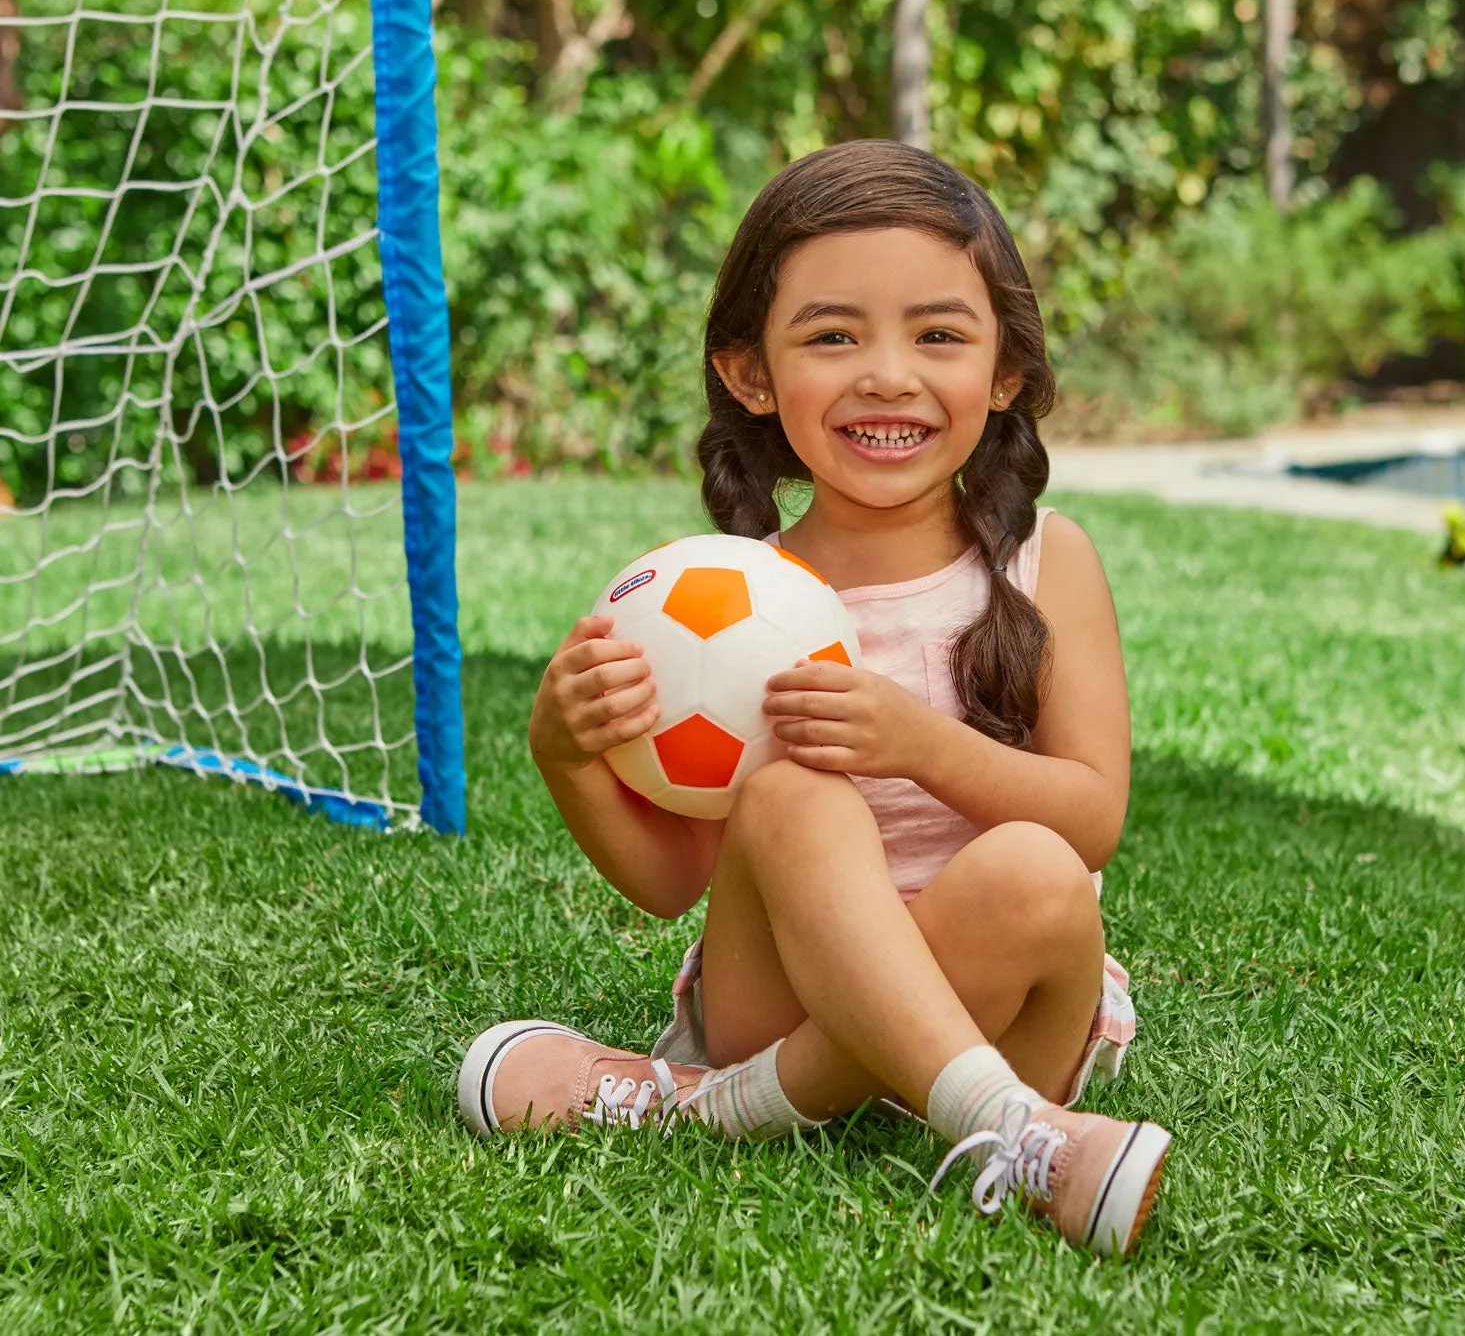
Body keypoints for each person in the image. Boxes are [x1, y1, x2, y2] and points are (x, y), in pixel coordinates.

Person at [457, 140, 1170, 1257]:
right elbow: (670, 883)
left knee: (1037, 867)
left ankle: (707, 1105)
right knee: (792, 794)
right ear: (750, 372)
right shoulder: (726, 602)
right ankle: (1016, 1134)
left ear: (1005, 372)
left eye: (938, 334)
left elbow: (1092, 820)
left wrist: (921, 745)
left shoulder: (1045, 562)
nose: (886, 374)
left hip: (1006, 998)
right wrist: (566, 753)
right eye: (833, 336)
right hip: (778, 996)